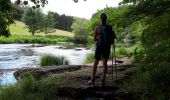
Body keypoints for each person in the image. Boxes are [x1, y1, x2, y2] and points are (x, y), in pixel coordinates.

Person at [88, 13, 116, 86]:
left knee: (95, 62)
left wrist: (98, 37)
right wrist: (113, 45)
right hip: (107, 47)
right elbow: (112, 38)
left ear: (100, 18)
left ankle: (92, 80)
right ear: (106, 19)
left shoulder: (97, 27)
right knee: (105, 64)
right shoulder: (110, 27)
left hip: (99, 47)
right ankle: (103, 80)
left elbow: (94, 39)